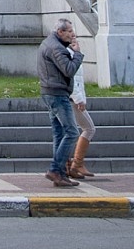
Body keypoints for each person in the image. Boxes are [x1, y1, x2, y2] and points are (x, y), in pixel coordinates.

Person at [37, 16, 84, 187]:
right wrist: (77, 54)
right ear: (60, 31)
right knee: (72, 133)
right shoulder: (57, 48)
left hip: (50, 92)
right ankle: (56, 170)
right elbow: (69, 69)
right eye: (70, 31)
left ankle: (61, 174)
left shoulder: (50, 43)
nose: (73, 35)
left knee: (59, 134)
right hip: (57, 95)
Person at [67, 62, 97, 180]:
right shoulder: (68, 55)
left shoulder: (74, 56)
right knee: (89, 129)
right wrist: (79, 100)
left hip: (71, 99)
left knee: (67, 132)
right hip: (72, 100)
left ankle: (70, 166)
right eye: (73, 42)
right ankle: (76, 164)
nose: (76, 43)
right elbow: (71, 80)